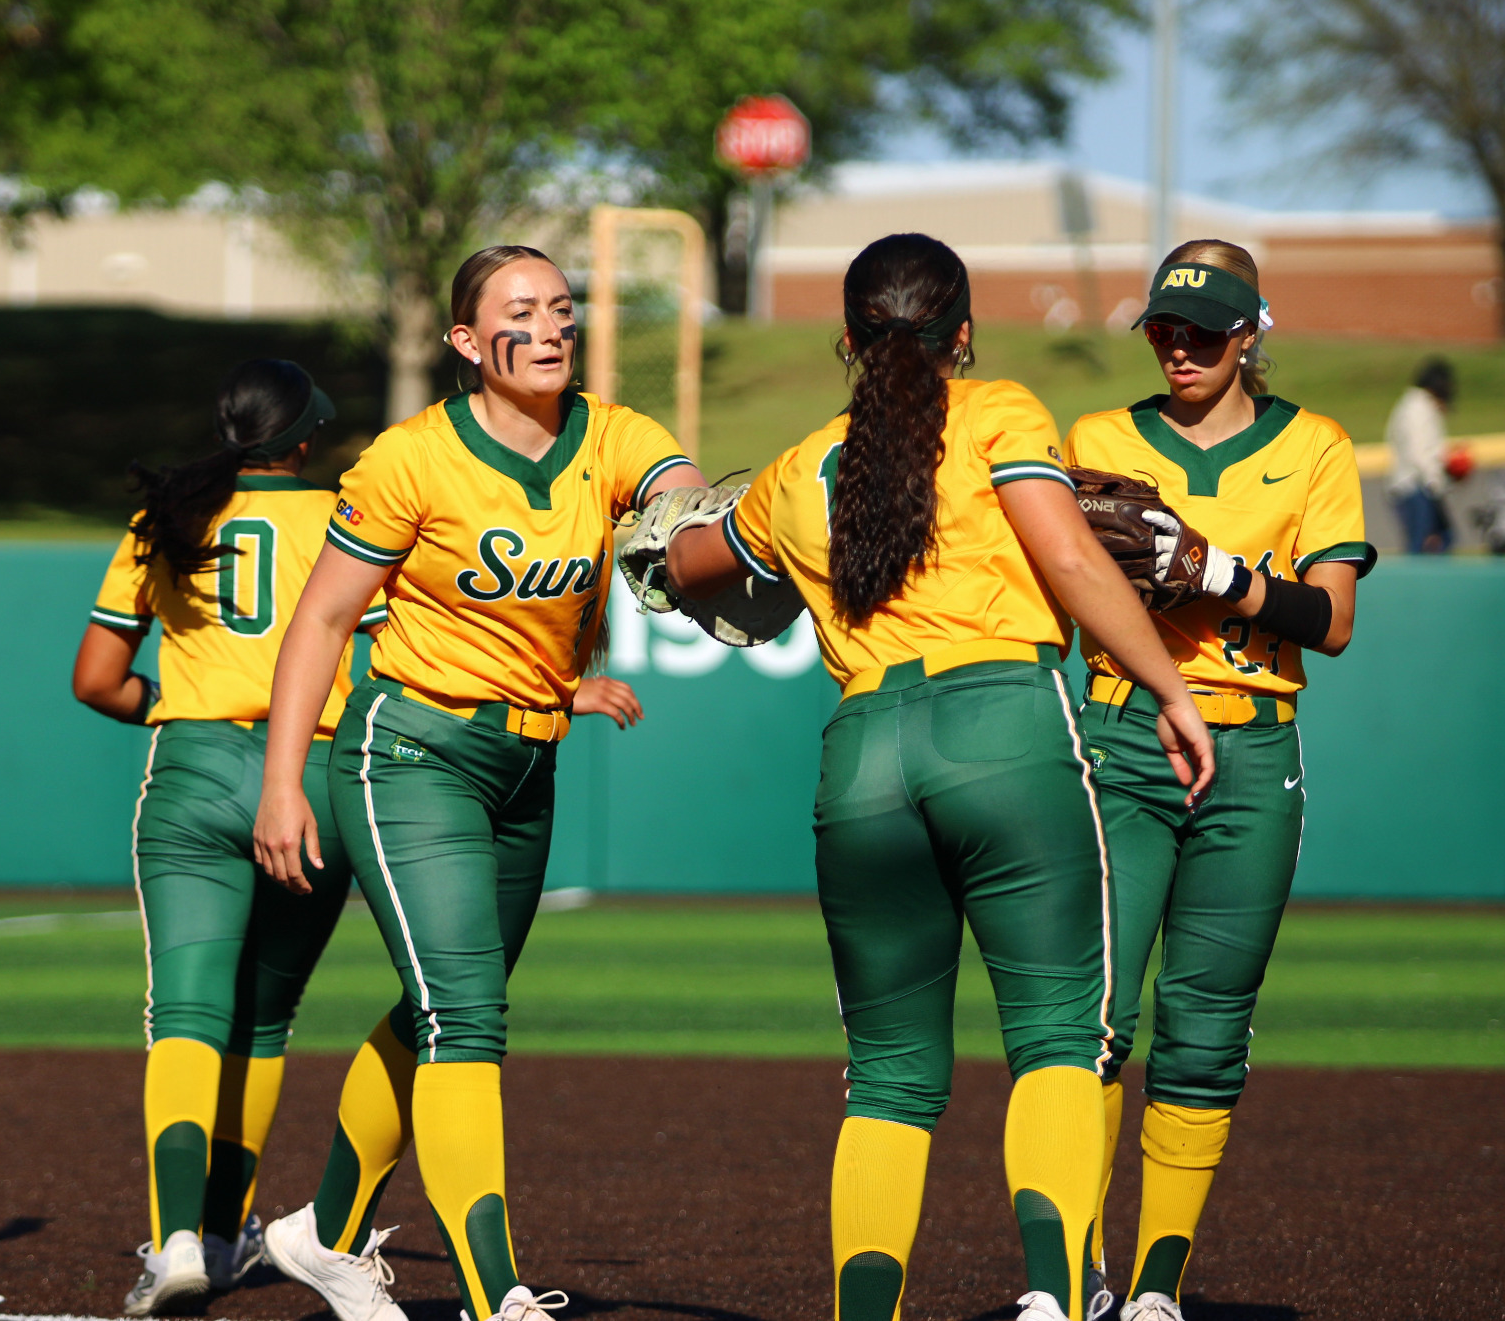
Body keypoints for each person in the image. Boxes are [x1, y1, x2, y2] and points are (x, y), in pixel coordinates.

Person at [663, 232, 1216, 1321]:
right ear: (960, 332)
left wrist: (663, 539)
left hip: (863, 755)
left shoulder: (799, 468)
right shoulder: (999, 411)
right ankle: (1055, 1298)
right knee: (1059, 1038)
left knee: (887, 1080)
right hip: (1003, 727)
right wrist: (1168, 686)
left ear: (846, 339)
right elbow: (1064, 557)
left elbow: (684, 565)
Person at [250, 244, 702, 1321]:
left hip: (524, 762)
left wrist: (688, 525)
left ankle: (320, 1233)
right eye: (519, 313)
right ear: (464, 342)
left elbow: (676, 489)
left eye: (559, 308)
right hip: (406, 751)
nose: (548, 328)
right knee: (467, 1017)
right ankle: (499, 1294)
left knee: (438, 1008)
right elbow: (319, 619)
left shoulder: (612, 434)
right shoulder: (411, 459)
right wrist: (281, 781)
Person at [1063, 241, 1372, 1321]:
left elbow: (1328, 621)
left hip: (1252, 747)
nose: (1181, 345)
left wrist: (1216, 575)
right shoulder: (1095, 440)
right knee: (1089, 1022)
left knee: (1203, 1027)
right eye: (1164, 326)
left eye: (1205, 328)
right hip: (1120, 739)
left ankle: (1154, 1286)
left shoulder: (1315, 447)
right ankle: (1073, 1280)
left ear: (1251, 333)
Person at [70, 359, 388, 1316]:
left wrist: (188, 709)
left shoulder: (165, 516)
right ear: (302, 442)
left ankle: (175, 1242)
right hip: (316, 775)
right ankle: (223, 1229)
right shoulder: (351, 513)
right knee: (264, 1019)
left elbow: (96, 679)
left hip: (195, 770)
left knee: (186, 1015)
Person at [1385, 357, 1459, 553]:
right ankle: (1416, 583)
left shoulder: (1415, 404)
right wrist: (1437, 482)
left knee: (1436, 539)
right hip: (1415, 487)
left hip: (1415, 485)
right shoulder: (1418, 408)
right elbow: (1420, 453)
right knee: (1424, 542)